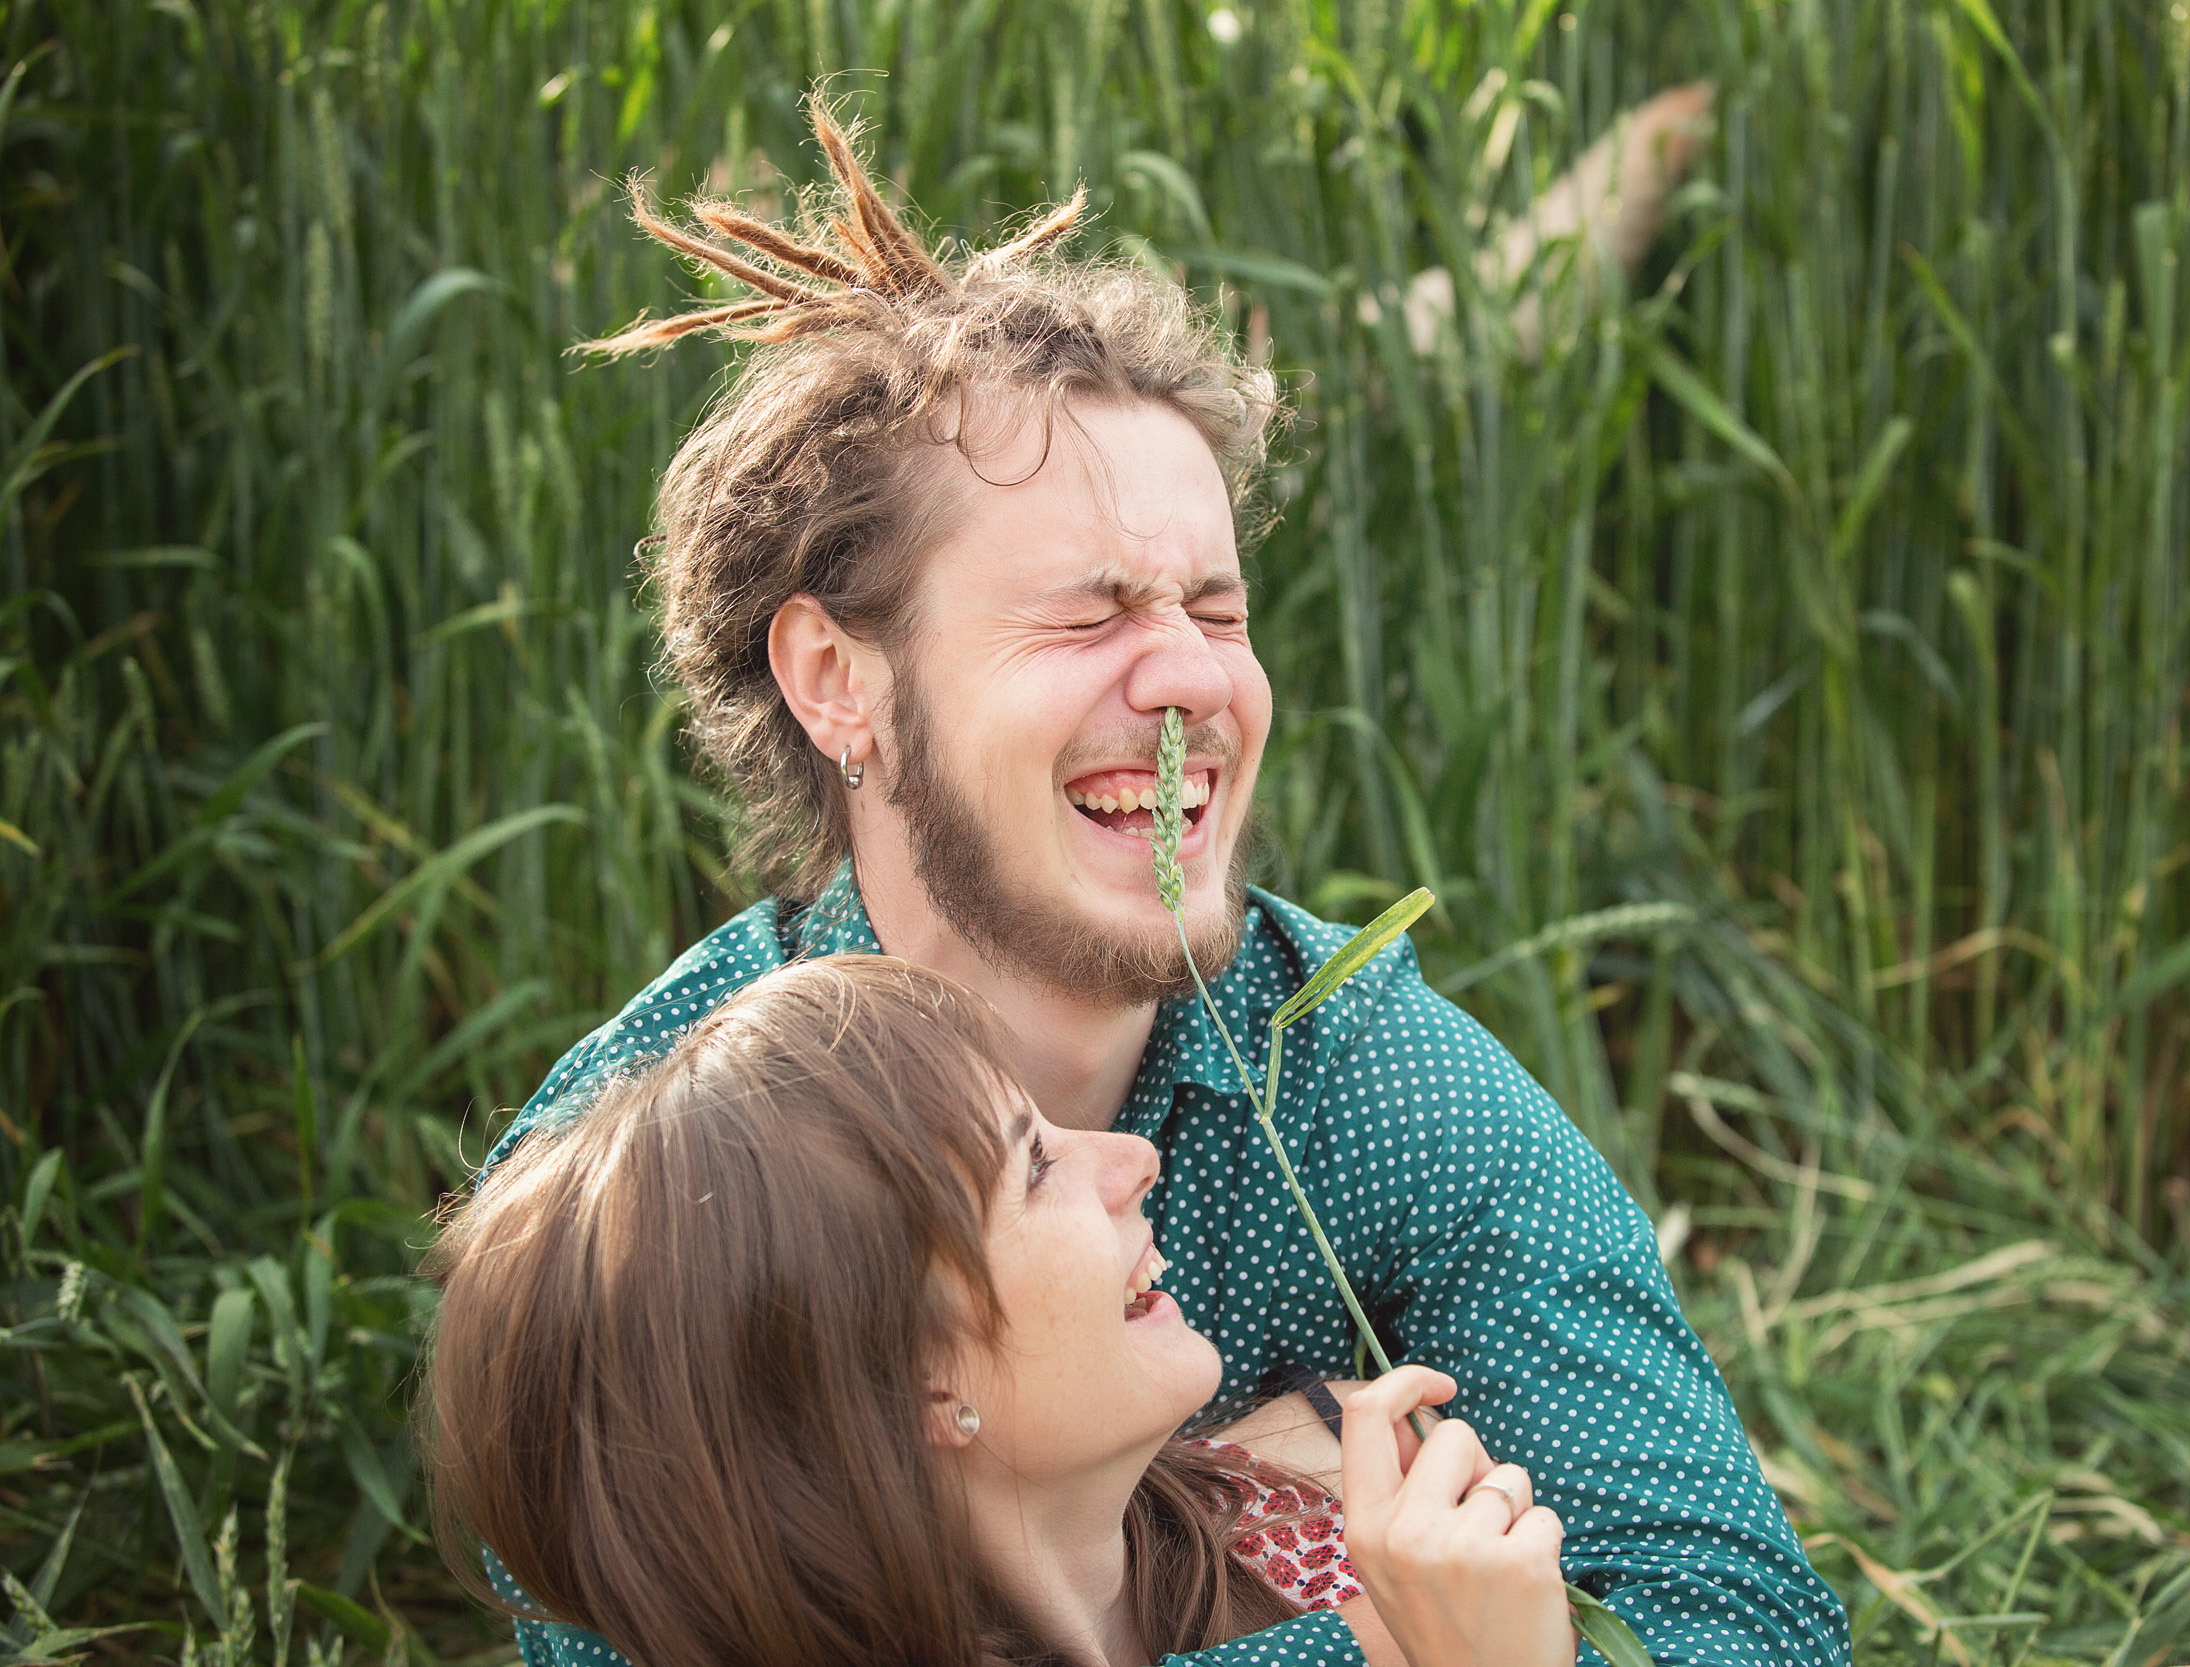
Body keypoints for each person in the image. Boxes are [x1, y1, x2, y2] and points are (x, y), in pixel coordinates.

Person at [485, 98, 1847, 1667]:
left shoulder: (1369, 1079)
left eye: (1217, 603)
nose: (1196, 680)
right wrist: (1380, 1640)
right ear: (836, 680)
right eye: (1090, 615)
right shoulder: (646, 1198)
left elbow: (1747, 1624)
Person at [428, 955, 1575, 1667]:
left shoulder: (1327, 1504)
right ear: (917, 1374)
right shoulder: (1396, 1608)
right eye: (1033, 1166)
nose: (1133, 1157)